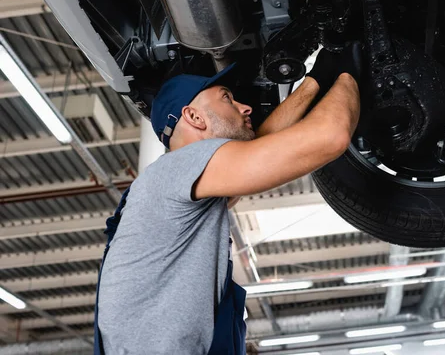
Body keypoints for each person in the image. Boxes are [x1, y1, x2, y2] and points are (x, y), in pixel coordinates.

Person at [95, 43, 362, 355]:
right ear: (194, 116)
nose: (245, 107)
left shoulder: (175, 190)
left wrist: (317, 79)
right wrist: (350, 70)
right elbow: (331, 136)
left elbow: (263, 147)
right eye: (227, 99)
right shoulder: (178, 169)